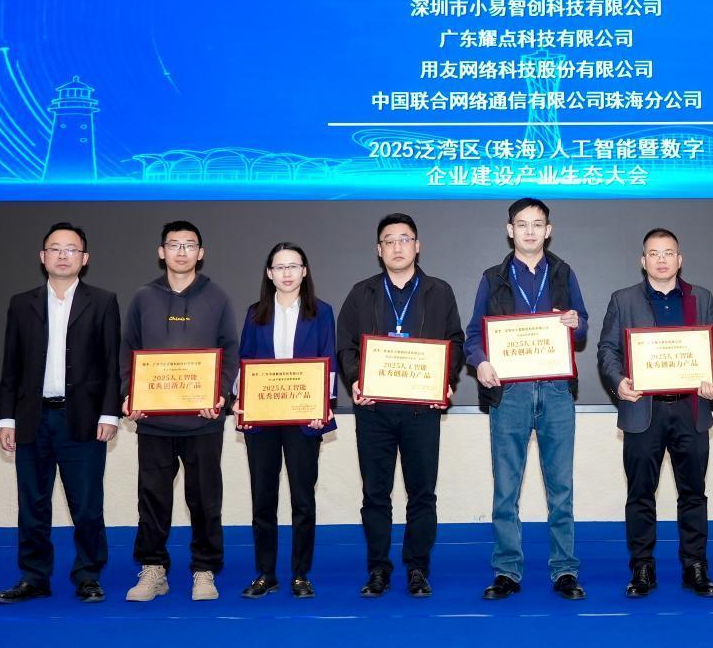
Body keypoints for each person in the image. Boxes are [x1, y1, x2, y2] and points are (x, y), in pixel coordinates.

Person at [465, 197, 589, 601]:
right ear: (510, 230)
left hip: (556, 391)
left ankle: (565, 570)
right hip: (511, 393)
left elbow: (582, 327)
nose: (530, 231)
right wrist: (481, 362)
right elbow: (473, 336)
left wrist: (575, 322)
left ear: (548, 231)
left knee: (561, 489)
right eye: (522, 224)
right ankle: (506, 571)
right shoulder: (493, 277)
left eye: (537, 224)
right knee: (506, 490)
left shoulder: (564, 272)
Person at [337, 213, 464, 599]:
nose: (397, 247)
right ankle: (378, 568)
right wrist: (355, 379)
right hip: (374, 410)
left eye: (404, 239)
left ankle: (417, 568)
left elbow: (455, 341)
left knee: (422, 493)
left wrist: (445, 378)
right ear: (379, 250)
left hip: (421, 411)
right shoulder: (361, 293)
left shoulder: (439, 292)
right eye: (389, 241)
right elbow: (345, 345)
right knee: (375, 494)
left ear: (417, 246)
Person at [0, 222, 121, 604]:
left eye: (71, 249)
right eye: (55, 248)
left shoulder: (103, 301)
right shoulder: (22, 303)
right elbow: (11, 366)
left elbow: (111, 363)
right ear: (42, 256)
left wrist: (109, 414)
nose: (63, 255)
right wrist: (6, 418)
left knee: (87, 505)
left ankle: (88, 576)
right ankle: (34, 577)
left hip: (82, 419)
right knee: (32, 504)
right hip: (32, 418)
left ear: (84, 258)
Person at [597, 227, 713, 598]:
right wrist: (619, 382)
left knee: (693, 493)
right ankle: (642, 567)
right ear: (643, 261)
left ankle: (695, 566)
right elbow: (607, 350)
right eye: (654, 253)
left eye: (668, 253)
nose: (662, 260)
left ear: (679, 260)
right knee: (640, 494)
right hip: (642, 410)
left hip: (690, 408)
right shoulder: (623, 299)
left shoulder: (700, 297)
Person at [120, 220, 239, 602]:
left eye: (189, 245)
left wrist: (220, 395)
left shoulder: (217, 297)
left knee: (205, 499)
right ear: (162, 252)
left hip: (203, 421)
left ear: (201, 253)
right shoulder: (143, 297)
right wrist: (129, 394)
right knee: (152, 498)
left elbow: (230, 352)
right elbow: (127, 351)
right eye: (174, 244)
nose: (182, 251)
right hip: (154, 421)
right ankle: (153, 569)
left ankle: (204, 570)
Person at [234, 242, 337, 600]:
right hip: (262, 420)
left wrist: (323, 406)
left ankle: (300, 574)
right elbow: (244, 362)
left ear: (304, 271)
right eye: (279, 267)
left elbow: (328, 362)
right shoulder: (255, 313)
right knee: (263, 498)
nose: (287, 273)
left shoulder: (322, 312)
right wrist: (240, 402)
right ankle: (266, 573)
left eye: (294, 266)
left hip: (304, 419)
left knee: (302, 499)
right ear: (269, 274)